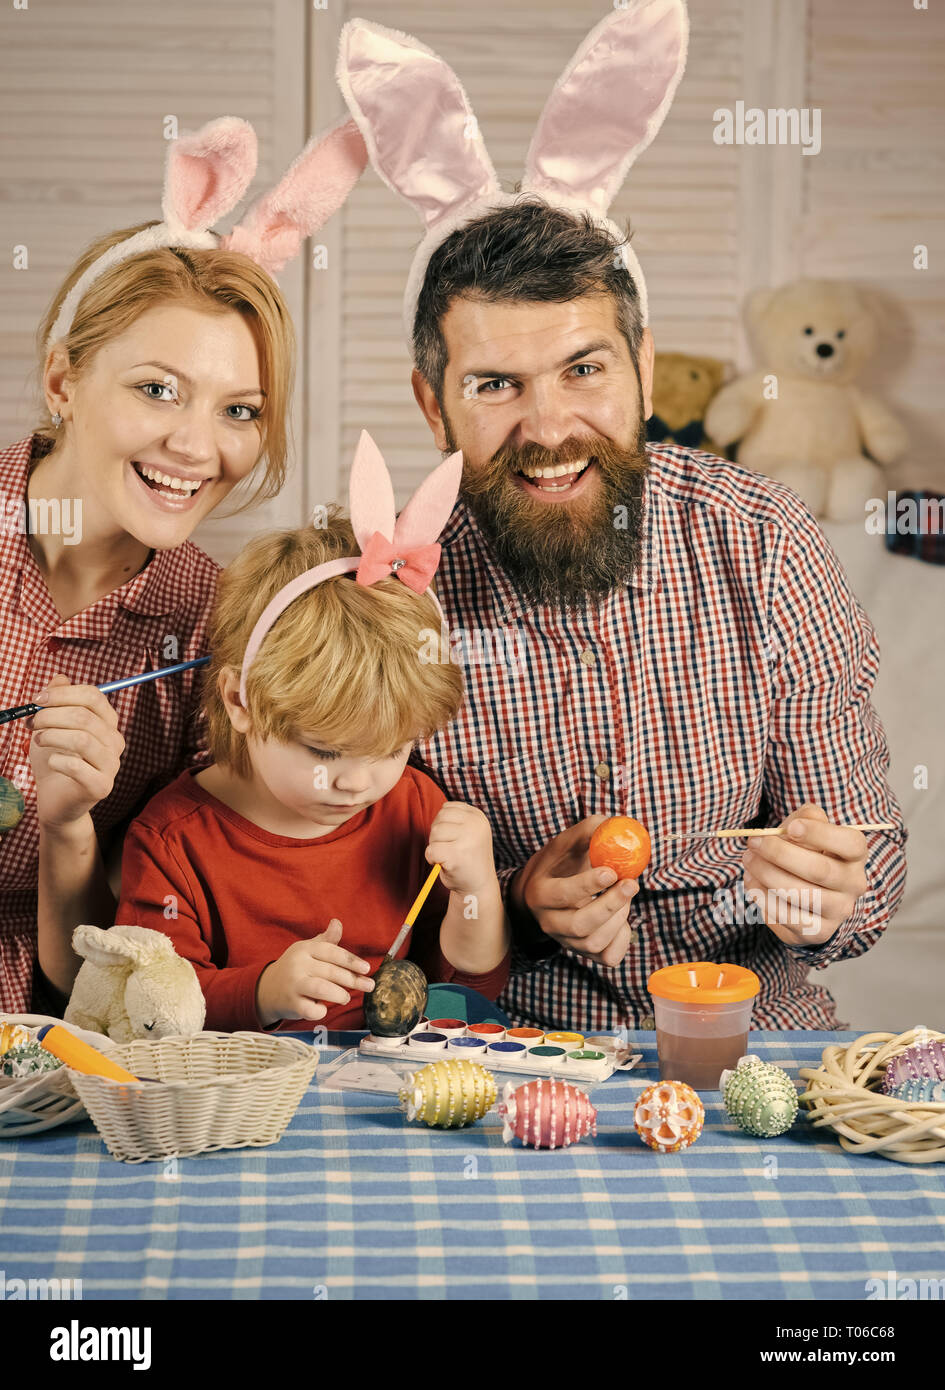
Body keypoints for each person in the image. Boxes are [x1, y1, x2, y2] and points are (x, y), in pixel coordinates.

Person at [337, 12, 908, 1031]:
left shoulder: (766, 540)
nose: (550, 427)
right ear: (434, 408)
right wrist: (513, 899)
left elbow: (872, 859)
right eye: (496, 384)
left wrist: (825, 894)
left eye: (585, 369)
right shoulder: (383, 583)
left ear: (644, 369)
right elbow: (337, 883)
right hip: (506, 1049)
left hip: (753, 1039)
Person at [0, 114, 366, 1013]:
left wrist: (68, 828)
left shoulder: (215, 632)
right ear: (63, 382)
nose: (196, 446)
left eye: (240, 411)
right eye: (157, 389)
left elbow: (106, 974)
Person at [113, 443, 510, 1031]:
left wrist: (476, 888)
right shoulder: (172, 842)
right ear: (239, 700)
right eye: (323, 751)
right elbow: (148, 1007)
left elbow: (471, 993)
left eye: (391, 751)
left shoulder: (415, 810)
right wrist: (263, 990)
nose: (356, 782)